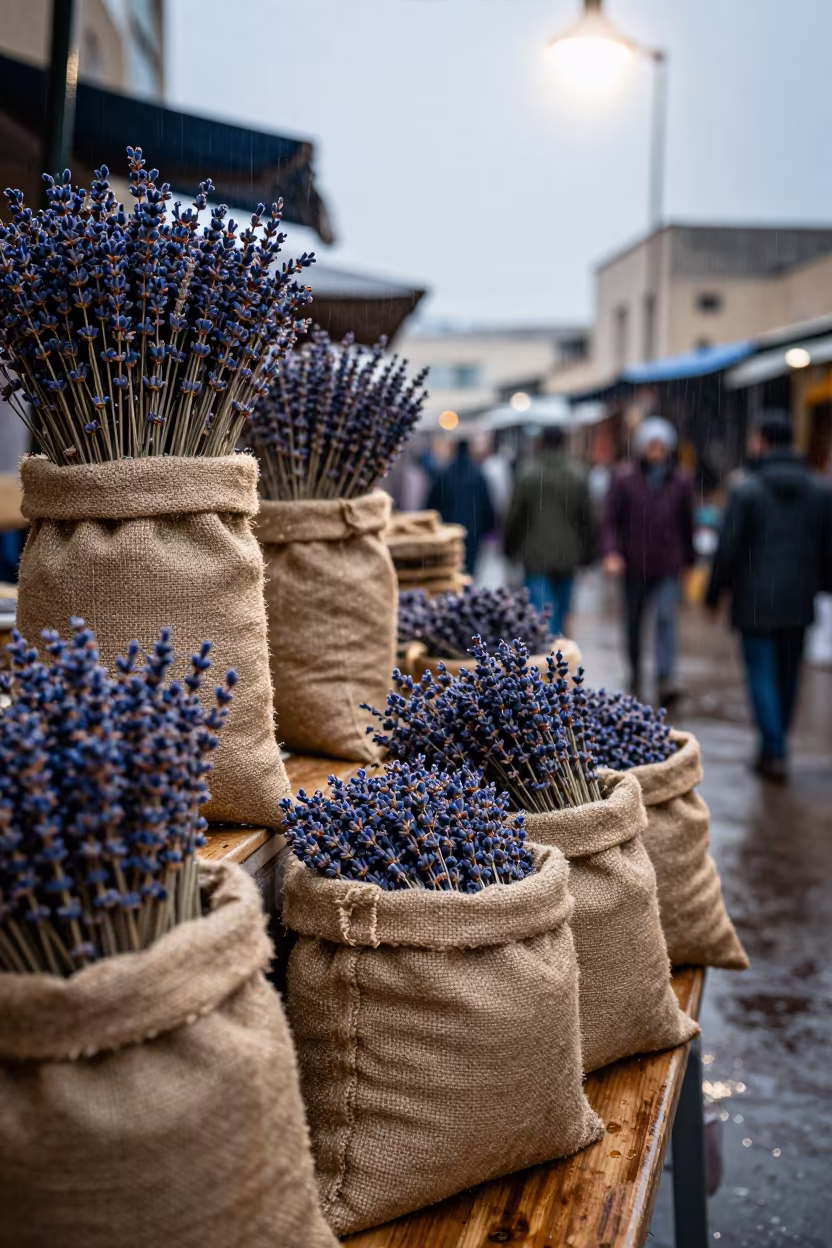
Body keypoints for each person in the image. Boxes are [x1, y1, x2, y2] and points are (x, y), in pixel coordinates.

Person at [705, 412, 832, 782]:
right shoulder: (820, 490)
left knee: (761, 674)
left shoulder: (747, 490)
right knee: (789, 675)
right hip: (800, 597)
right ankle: (774, 745)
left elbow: (727, 548)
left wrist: (714, 594)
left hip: (755, 599)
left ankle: (774, 749)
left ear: (761, 441)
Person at [602, 417, 694, 704]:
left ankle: (665, 676)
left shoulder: (681, 481)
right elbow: (610, 522)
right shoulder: (625, 479)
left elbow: (686, 525)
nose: (655, 448)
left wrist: (689, 562)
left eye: (660, 443)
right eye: (651, 443)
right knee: (634, 622)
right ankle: (636, 670)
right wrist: (612, 553)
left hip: (667, 564)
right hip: (633, 563)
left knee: (666, 619)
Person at [503, 426, 597, 636]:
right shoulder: (578, 474)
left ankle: (546, 658)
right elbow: (589, 519)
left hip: (536, 556)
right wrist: (590, 553)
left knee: (541, 615)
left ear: (542, 443)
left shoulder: (529, 473)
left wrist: (509, 547)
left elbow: (514, 515)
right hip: (569, 555)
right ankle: (558, 656)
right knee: (562, 613)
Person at [426, 439, 496, 574]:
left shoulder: (444, 474)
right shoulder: (477, 474)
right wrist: (488, 526)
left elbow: (432, 504)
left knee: (450, 570)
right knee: (469, 570)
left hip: (448, 531)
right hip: (472, 531)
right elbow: (486, 503)